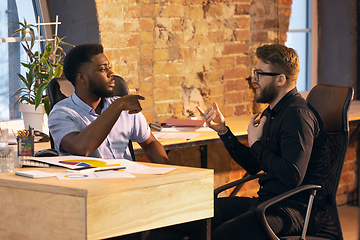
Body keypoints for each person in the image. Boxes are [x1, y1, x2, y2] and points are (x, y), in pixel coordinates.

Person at [197, 44, 329, 240]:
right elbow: (254, 165)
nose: (254, 79)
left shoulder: (297, 116)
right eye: (254, 72)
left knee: (223, 235)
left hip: (295, 210)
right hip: (267, 202)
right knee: (199, 218)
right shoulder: (272, 113)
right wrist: (224, 132)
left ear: (280, 79)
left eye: (259, 74)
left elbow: (292, 175)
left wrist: (256, 144)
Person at [48, 43, 169, 164]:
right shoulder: (61, 113)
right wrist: (117, 106)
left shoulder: (122, 106)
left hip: (128, 179)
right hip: (90, 180)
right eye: (102, 69)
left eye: (109, 67)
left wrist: (168, 172)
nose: (111, 73)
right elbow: (81, 148)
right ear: (82, 78)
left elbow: (150, 143)